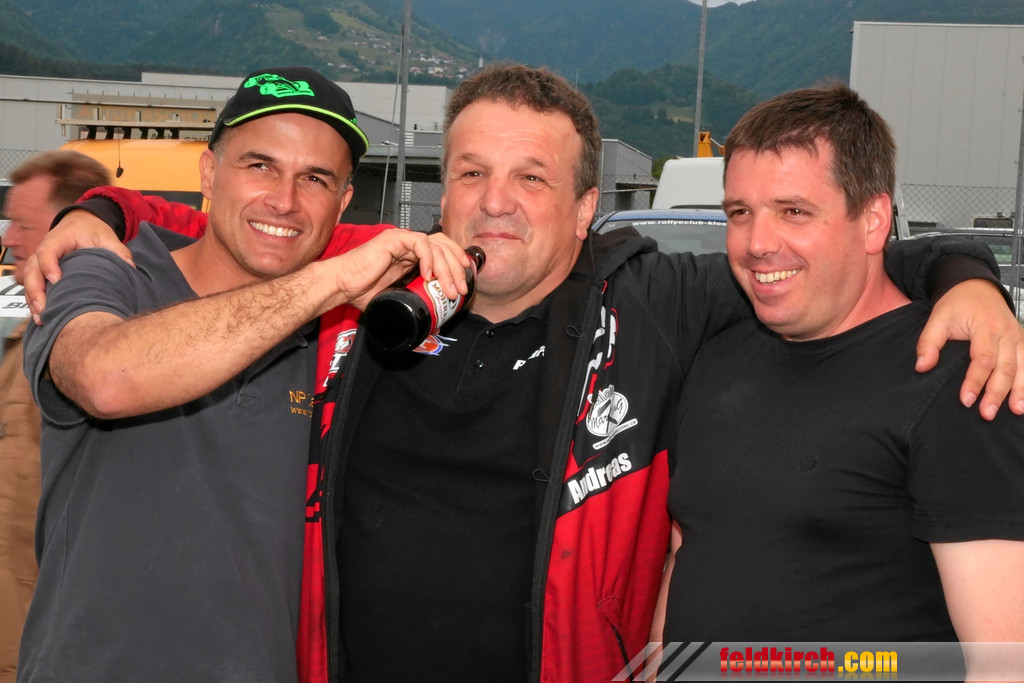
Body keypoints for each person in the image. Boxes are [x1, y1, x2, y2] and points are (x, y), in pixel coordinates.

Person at [24, 64, 1024, 683]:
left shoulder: (659, 301)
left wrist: (968, 277)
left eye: (531, 178)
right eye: (470, 172)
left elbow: (825, 256)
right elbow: (254, 228)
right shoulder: (371, 285)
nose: (494, 202)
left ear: (588, 209)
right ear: (441, 191)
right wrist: (102, 208)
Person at [17, 66, 468, 683]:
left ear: (342, 203)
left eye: (315, 178)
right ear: (208, 174)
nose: (284, 200)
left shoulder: (343, 334)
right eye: (260, 165)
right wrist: (328, 281)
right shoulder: (106, 271)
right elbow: (105, 377)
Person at [657, 84, 1024, 660]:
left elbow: (1004, 661)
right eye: (740, 213)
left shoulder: (961, 380)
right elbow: (691, 550)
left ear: (873, 220)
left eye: (794, 212)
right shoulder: (717, 358)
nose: (758, 243)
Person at [0, 151, 109, 683]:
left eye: (23, 224)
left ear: (69, 226)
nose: (8, 238)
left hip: (46, 641)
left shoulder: (91, 345)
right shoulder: (32, 327)